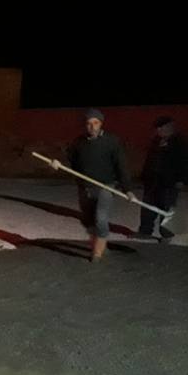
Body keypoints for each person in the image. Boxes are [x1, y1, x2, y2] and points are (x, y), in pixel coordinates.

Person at [52, 108, 135, 262]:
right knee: (88, 221)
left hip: (106, 186)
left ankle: (97, 254)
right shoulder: (79, 142)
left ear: (101, 123)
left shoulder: (112, 141)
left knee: (101, 219)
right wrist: (58, 163)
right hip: (85, 188)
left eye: (95, 123)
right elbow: (70, 161)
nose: (92, 127)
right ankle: (101, 246)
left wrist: (128, 189)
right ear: (85, 125)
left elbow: (121, 166)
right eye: (89, 123)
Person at [136, 116, 188, 242]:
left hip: (169, 182)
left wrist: (181, 180)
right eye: (158, 128)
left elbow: (186, 162)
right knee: (147, 207)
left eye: (161, 128)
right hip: (152, 181)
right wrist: (144, 177)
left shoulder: (179, 142)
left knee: (167, 208)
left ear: (169, 127)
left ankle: (166, 235)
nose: (159, 131)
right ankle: (145, 231)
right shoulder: (156, 141)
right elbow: (149, 160)